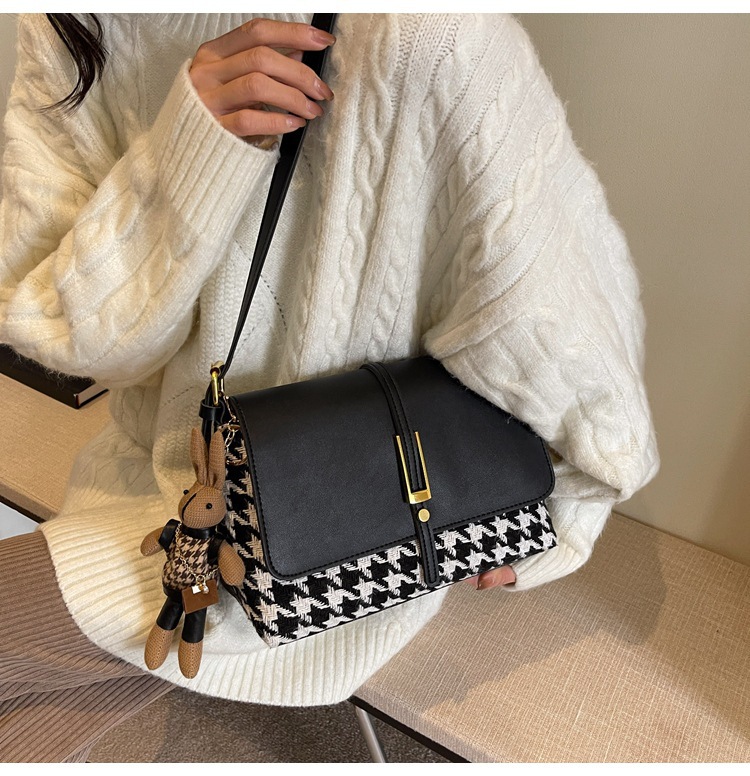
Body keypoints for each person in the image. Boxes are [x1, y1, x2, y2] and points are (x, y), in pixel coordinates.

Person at [0, 12, 659, 762]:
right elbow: (66, 337)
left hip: (357, 544)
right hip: (161, 494)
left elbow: (560, 313)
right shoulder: (73, 23)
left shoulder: (428, 34)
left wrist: (555, 518)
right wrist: (190, 154)